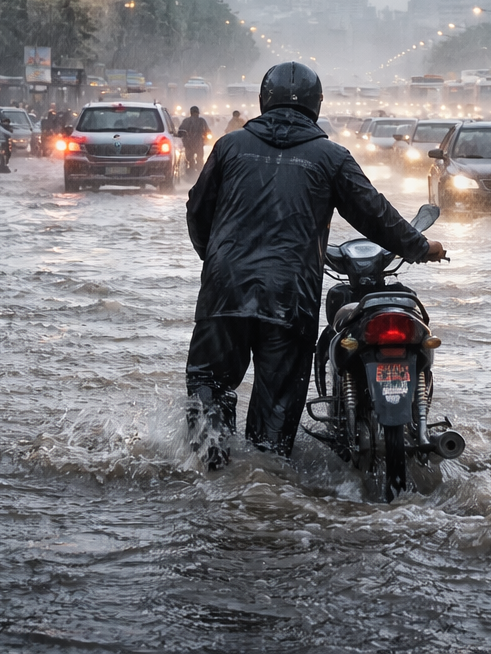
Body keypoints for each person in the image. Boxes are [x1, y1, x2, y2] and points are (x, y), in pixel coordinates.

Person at [184, 62, 448, 468]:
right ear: (316, 106)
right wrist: (419, 247)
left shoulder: (229, 147)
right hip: (289, 298)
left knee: (209, 386)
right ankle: (262, 485)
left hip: (225, 291)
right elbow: (374, 214)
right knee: (275, 409)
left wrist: (219, 262)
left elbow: (198, 212)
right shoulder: (331, 157)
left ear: (262, 101)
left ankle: (209, 470)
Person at [178, 105, 210, 176]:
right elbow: (181, 130)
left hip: (193, 143)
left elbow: (207, 130)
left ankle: (196, 169)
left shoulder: (198, 121)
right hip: (193, 143)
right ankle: (194, 170)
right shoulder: (199, 121)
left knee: (196, 158)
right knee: (193, 159)